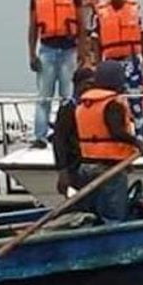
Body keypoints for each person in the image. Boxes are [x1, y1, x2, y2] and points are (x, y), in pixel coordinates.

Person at [74, 60, 143, 222]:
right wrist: (138, 143)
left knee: (93, 213)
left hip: (86, 167)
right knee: (113, 215)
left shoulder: (85, 103)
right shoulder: (111, 104)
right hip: (109, 170)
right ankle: (111, 242)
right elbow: (116, 132)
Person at [29, 0, 84, 148]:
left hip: (69, 49)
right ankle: (40, 136)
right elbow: (32, 27)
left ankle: (66, 135)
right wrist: (31, 54)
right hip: (47, 49)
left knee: (67, 96)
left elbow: (81, 23)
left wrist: (83, 52)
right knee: (44, 96)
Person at [94, 0, 143, 137]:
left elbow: (142, 36)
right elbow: (96, 41)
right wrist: (97, 65)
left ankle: (140, 135)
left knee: (135, 100)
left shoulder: (135, 8)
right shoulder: (99, 12)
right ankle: (114, 135)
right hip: (110, 63)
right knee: (111, 101)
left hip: (131, 61)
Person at [52, 67, 96, 196]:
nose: (91, 88)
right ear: (78, 84)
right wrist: (62, 171)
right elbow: (59, 141)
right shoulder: (68, 108)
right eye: (88, 84)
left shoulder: (91, 106)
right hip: (73, 167)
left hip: (90, 165)